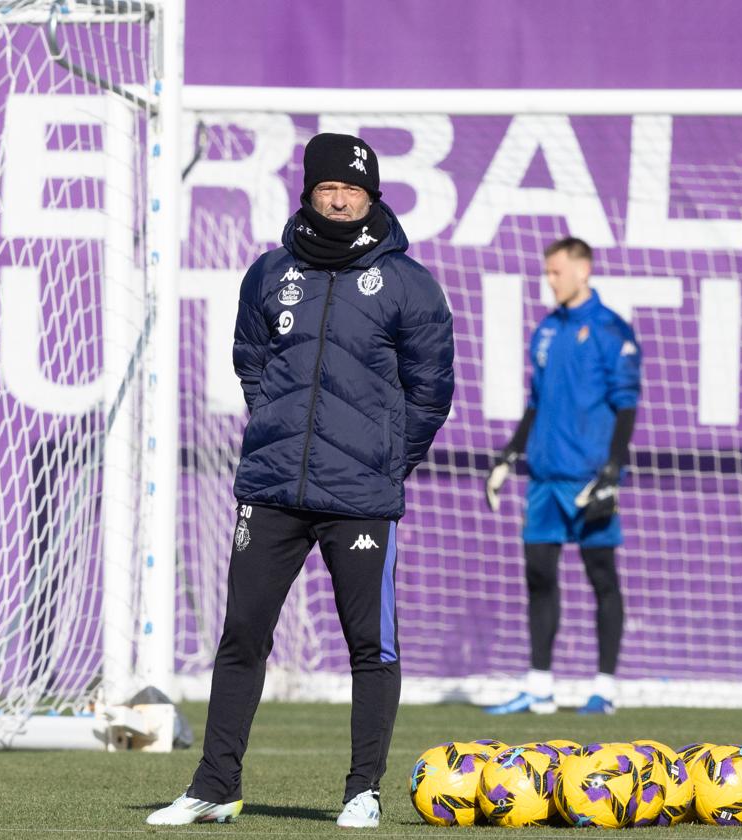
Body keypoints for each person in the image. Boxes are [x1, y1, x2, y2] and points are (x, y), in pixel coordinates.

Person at [147, 133, 455, 827]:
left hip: (361, 499)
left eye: (354, 188)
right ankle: (214, 787)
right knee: (241, 636)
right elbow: (251, 363)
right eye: (328, 188)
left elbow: (431, 392)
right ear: (310, 193)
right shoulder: (269, 273)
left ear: (372, 196)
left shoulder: (407, 282)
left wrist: (382, 459)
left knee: (371, 647)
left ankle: (361, 791)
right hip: (272, 490)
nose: (341, 198)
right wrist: (284, 437)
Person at [482, 237, 641, 716]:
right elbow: (537, 402)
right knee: (538, 575)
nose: (549, 280)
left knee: (601, 577)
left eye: (556, 272)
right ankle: (539, 685)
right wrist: (510, 454)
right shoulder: (547, 330)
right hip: (545, 479)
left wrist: (612, 469)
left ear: (582, 271)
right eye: (547, 272)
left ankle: (605, 688)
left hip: (588, 478)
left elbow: (626, 404)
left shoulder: (612, 330)